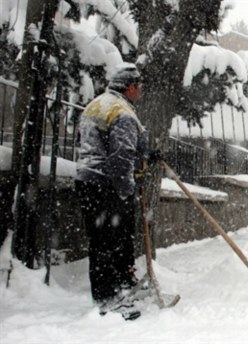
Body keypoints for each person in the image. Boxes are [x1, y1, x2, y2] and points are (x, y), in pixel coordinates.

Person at [75, 63, 151, 318]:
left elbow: (99, 142)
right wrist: (126, 190)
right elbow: (121, 156)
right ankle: (108, 298)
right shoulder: (123, 112)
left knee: (106, 239)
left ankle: (122, 283)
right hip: (106, 184)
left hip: (88, 180)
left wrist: (148, 153)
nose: (140, 91)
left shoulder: (97, 104)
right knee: (109, 241)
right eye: (139, 87)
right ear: (130, 87)